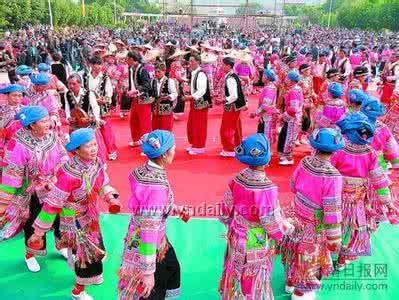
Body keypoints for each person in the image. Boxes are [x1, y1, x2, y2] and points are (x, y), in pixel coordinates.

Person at [29, 128, 121, 300]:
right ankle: (77, 291)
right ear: (76, 151)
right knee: (87, 258)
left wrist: (110, 197)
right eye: (88, 146)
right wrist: (38, 233)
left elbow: (102, 184)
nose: (94, 149)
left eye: (94, 144)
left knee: (94, 253)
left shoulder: (97, 163)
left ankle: (79, 263)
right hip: (74, 222)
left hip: (91, 217)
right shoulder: (68, 174)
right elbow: (52, 205)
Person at [218, 133, 293, 299]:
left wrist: (228, 222)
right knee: (254, 273)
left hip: (237, 231)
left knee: (236, 266)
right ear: (266, 161)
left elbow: (226, 206)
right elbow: (269, 221)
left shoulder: (237, 178)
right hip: (256, 236)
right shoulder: (267, 188)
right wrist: (284, 230)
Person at [118, 130, 185, 300]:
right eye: (173, 148)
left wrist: (172, 208)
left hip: (150, 237)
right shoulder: (156, 186)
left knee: (171, 266)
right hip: (149, 242)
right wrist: (148, 272)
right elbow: (149, 228)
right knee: (149, 290)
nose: (175, 151)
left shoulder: (142, 171)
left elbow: (147, 205)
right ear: (164, 154)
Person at [0, 106, 69, 272]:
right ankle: (31, 254)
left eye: (48, 119)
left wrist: (57, 177)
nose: (49, 123)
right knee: (34, 223)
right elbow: (12, 173)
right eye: (44, 121)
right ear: (32, 125)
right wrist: (4, 202)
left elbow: (63, 156)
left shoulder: (52, 135)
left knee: (61, 219)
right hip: (31, 192)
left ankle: (61, 246)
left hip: (54, 186)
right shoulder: (18, 143)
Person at [282, 128, 344, 300]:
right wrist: (334, 238)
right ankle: (302, 291)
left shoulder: (305, 162)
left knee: (293, 249)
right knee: (310, 255)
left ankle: (290, 283)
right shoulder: (333, 176)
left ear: (316, 146)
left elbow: (293, 185)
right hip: (314, 223)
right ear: (334, 150)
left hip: (296, 214)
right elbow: (332, 210)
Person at [332, 112, 392, 271]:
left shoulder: (338, 149)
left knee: (332, 222)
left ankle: (326, 252)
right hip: (357, 198)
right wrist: (387, 201)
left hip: (335, 196)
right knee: (351, 226)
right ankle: (342, 259)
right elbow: (378, 179)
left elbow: (328, 173)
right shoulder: (370, 152)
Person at [360, 97, 399, 226]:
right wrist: (395, 164)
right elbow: (392, 151)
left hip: (356, 169)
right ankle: (372, 222)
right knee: (376, 197)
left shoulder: (353, 125)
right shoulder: (383, 129)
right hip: (377, 167)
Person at [218, 56, 245, 157]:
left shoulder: (230, 78)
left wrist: (223, 100)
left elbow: (234, 96)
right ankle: (237, 147)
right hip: (236, 106)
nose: (222, 66)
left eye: (223, 65)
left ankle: (230, 149)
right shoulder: (233, 75)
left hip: (232, 107)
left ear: (228, 66)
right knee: (236, 128)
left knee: (227, 128)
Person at [185, 54, 212, 155]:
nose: (190, 63)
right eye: (189, 61)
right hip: (194, 101)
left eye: (192, 61)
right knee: (192, 124)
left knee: (199, 125)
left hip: (200, 103)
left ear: (197, 62)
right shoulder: (193, 73)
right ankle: (194, 143)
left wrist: (191, 97)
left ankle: (199, 146)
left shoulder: (200, 74)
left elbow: (202, 90)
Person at [126, 51, 153, 148]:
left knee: (145, 123)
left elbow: (147, 85)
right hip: (135, 99)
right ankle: (136, 140)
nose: (126, 60)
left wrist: (136, 91)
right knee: (134, 120)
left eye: (127, 58)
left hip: (143, 100)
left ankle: (149, 145)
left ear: (132, 59)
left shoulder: (143, 70)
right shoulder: (131, 69)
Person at [277, 71, 304, 165]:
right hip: (292, 117)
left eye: (287, 78)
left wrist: (282, 115)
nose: (286, 80)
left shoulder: (294, 91)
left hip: (292, 118)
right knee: (286, 135)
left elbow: (294, 109)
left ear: (292, 80)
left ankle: (288, 158)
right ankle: (285, 155)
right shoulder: (296, 89)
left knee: (289, 137)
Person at [0, 84, 26, 172]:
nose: (17, 98)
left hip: (23, 144)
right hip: (5, 144)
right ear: (7, 96)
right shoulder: (1, 110)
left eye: (20, 95)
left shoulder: (26, 110)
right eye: (14, 95)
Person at [250, 69, 278, 144]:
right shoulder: (269, 87)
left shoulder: (269, 89)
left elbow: (266, 105)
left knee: (265, 135)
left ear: (267, 78)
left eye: (263, 76)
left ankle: (265, 152)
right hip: (265, 115)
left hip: (267, 116)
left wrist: (256, 113)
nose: (262, 77)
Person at [151, 62, 178, 131]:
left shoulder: (169, 81)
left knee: (166, 127)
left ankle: (166, 141)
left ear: (164, 71)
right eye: (155, 72)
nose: (156, 74)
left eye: (159, 72)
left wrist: (169, 96)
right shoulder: (153, 81)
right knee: (155, 127)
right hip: (156, 109)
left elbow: (175, 93)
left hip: (166, 109)